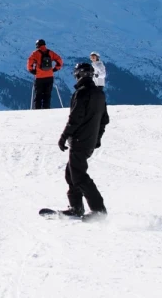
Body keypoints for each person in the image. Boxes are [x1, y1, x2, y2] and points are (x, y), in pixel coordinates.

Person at [56, 61, 109, 220]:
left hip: (80, 140)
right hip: (89, 140)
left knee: (78, 175)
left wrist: (64, 136)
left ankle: (98, 209)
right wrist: (97, 138)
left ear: (78, 75)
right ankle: (76, 207)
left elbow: (75, 118)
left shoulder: (81, 93)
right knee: (71, 172)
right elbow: (104, 120)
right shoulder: (99, 93)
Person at [27, 39, 64, 109]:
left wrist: (32, 71)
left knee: (38, 95)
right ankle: (46, 110)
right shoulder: (50, 52)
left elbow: (29, 62)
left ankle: (37, 110)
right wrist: (56, 68)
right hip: (50, 76)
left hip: (39, 77)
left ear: (37, 45)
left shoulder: (35, 53)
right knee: (47, 95)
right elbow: (59, 60)